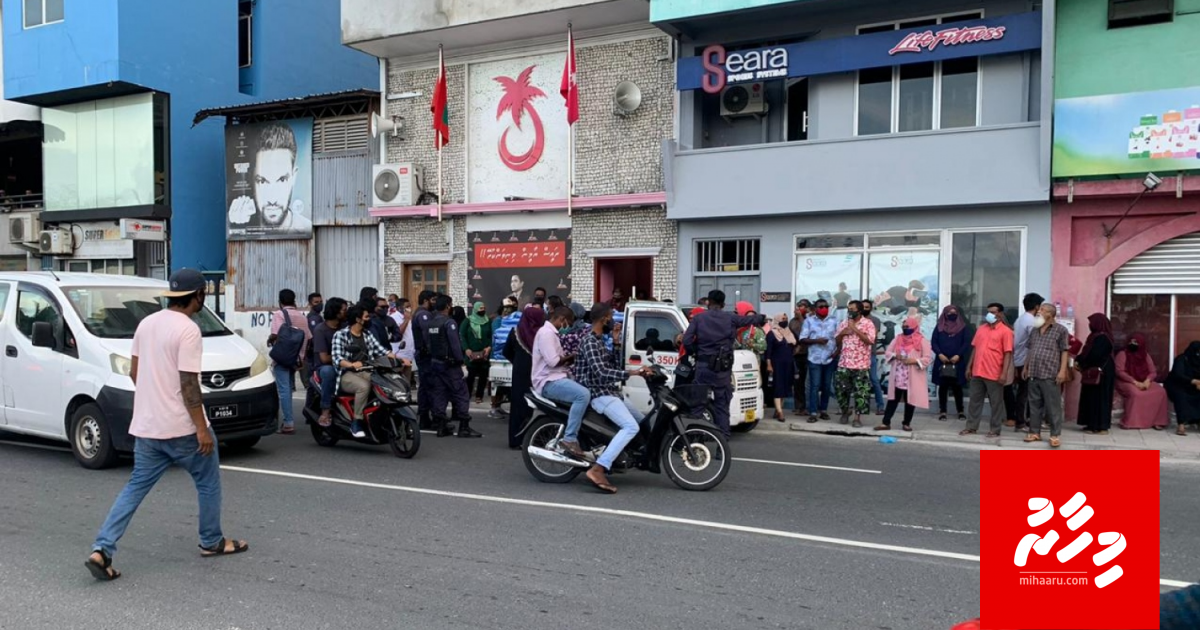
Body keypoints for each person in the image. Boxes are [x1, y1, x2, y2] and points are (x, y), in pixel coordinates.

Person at [85, 269, 248, 581]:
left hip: (147, 428)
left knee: (134, 488)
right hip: (182, 428)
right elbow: (189, 386)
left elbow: (135, 373)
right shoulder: (188, 330)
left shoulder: (146, 323)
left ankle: (102, 549)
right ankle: (211, 541)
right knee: (208, 481)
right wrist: (201, 429)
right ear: (198, 295)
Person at [575, 303, 650, 494]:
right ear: (604, 319)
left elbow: (612, 365)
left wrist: (616, 342)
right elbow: (601, 373)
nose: (613, 321)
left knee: (642, 421)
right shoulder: (590, 342)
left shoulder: (599, 340)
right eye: (611, 317)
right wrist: (632, 373)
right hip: (599, 394)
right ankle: (599, 468)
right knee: (631, 426)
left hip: (611, 392)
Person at [681, 291, 765, 436]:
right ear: (724, 304)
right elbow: (749, 320)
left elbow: (686, 341)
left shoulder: (699, 318)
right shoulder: (730, 318)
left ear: (708, 302)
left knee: (698, 406)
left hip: (703, 367)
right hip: (722, 370)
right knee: (722, 406)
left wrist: (696, 352)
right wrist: (762, 318)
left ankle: (694, 441)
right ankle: (723, 444)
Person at [227, 123, 312, 236]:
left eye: (282, 180)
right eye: (262, 181)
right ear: (252, 179)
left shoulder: (306, 228)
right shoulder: (238, 226)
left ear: (294, 177)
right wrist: (230, 223)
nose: (272, 200)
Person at [533, 307, 591, 457]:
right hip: (548, 381)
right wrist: (572, 356)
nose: (568, 327)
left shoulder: (552, 334)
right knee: (582, 395)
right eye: (568, 323)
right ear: (561, 319)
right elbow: (553, 362)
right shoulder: (546, 334)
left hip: (557, 376)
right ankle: (570, 438)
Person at [332, 305, 397, 438]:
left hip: (367, 370)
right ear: (358, 319)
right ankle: (357, 421)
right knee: (364, 387)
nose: (369, 319)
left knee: (386, 381)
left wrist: (396, 358)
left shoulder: (367, 334)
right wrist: (351, 364)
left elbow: (381, 351)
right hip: (347, 374)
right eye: (366, 317)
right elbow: (337, 358)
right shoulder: (341, 335)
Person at [424, 295, 482, 438]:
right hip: (450, 365)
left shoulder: (431, 323)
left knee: (440, 393)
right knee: (461, 394)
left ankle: (441, 425)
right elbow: (455, 345)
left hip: (435, 363)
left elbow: (428, 344)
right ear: (448, 306)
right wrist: (461, 362)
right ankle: (464, 426)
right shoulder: (449, 323)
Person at [960, 303, 1013, 438]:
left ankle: (995, 429)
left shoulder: (1006, 331)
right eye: (988, 311)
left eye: (993, 312)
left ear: (1000, 314)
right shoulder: (981, 329)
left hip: (994, 372)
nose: (989, 314)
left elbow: (1008, 353)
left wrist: (1004, 373)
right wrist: (969, 366)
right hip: (978, 370)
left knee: (996, 403)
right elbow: (975, 348)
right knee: (974, 401)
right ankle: (971, 427)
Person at [1022, 303, 1070, 448]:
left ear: (1050, 314)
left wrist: (1062, 371)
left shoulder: (1060, 330)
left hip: (1050, 373)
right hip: (1034, 372)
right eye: (1039, 309)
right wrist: (1025, 366)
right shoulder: (1035, 330)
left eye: (1042, 310)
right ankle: (1034, 432)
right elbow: (1031, 350)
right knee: (1034, 404)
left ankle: (1055, 435)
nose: (1039, 312)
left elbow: (1064, 351)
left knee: (1052, 406)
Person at [267, 289, 312, 435]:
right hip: (297, 359)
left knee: (284, 390)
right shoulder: (302, 316)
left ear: (280, 302)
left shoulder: (279, 314)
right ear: (294, 300)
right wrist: (303, 355)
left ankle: (288, 423)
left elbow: (276, 335)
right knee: (289, 388)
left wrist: (270, 340)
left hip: (283, 358)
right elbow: (308, 338)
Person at [875, 316, 931, 432]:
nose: (905, 328)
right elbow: (888, 352)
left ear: (914, 327)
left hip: (912, 375)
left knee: (910, 400)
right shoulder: (898, 338)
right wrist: (896, 355)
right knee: (892, 399)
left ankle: (906, 423)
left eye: (907, 326)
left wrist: (914, 361)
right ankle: (886, 422)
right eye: (903, 326)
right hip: (898, 374)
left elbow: (928, 358)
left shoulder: (922, 340)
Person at [833, 300, 876, 428]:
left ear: (860, 310)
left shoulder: (868, 324)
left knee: (861, 392)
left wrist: (855, 329)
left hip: (861, 364)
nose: (850, 311)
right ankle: (845, 411)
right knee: (841, 390)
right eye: (848, 309)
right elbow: (837, 341)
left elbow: (870, 341)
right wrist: (842, 333)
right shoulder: (843, 323)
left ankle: (857, 418)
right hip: (844, 362)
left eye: (852, 309)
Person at [1115, 332, 1170, 431]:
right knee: (1136, 394)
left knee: (1161, 391)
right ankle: (1131, 422)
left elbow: (1153, 372)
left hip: (1144, 380)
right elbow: (1120, 372)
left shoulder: (1145, 355)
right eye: (1131, 341)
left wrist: (1147, 381)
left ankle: (1158, 421)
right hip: (1126, 381)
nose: (1133, 344)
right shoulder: (1122, 354)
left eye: (1136, 342)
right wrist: (1134, 382)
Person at [504, 306, 540, 448]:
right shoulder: (541, 333)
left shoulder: (515, 331)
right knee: (535, 407)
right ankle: (533, 440)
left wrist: (517, 362)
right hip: (537, 375)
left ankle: (515, 440)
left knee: (518, 407)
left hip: (519, 374)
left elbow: (506, 351)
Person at [1076, 313, 1116, 435]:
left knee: (1099, 398)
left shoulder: (1102, 338)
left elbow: (1094, 355)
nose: (1089, 325)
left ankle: (1100, 426)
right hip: (1097, 370)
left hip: (1101, 372)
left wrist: (1081, 362)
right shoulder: (1097, 336)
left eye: (1091, 322)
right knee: (1092, 398)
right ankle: (1091, 424)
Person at [1009, 293, 1044, 431]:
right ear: (1036, 306)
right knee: (1025, 393)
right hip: (1025, 360)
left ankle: (1027, 420)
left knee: (1026, 392)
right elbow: (1036, 340)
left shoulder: (1021, 319)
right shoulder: (1031, 321)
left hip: (1019, 358)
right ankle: (1021, 422)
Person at [800, 298, 838, 423]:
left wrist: (837, 352)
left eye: (826, 306)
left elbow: (840, 338)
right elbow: (803, 339)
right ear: (815, 309)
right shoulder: (809, 321)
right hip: (814, 359)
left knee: (827, 386)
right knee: (814, 386)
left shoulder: (834, 321)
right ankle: (813, 412)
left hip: (829, 358)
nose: (824, 308)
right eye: (821, 306)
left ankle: (823, 410)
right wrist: (817, 341)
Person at [932, 305, 972, 421]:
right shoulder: (939, 326)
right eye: (950, 313)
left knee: (957, 387)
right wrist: (939, 354)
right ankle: (943, 411)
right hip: (942, 361)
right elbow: (934, 342)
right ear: (945, 314)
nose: (952, 315)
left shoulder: (963, 327)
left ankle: (960, 411)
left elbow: (966, 342)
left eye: (954, 312)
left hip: (957, 361)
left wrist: (958, 355)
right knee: (943, 387)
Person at [310, 298, 345, 427]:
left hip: (345, 364)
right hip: (325, 367)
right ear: (336, 312)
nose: (345, 312)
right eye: (343, 310)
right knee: (328, 372)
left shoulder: (345, 328)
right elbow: (324, 358)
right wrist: (342, 357)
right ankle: (325, 410)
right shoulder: (320, 330)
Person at [410, 290, 437, 429]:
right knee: (430, 387)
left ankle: (424, 416)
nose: (435, 303)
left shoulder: (419, 313)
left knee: (425, 387)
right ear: (426, 300)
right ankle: (429, 417)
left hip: (423, 355)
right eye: (433, 300)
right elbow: (428, 336)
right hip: (426, 356)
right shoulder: (423, 315)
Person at [461, 301, 493, 405]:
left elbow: (492, 336)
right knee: (470, 376)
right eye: (480, 308)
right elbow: (462, 335)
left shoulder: (487, 321)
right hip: (471, 353)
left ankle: (479, 396)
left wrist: (489, 347)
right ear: (475, 309)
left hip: (484, 353)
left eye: (483, 308)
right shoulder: (468, 320)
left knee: (483, 376)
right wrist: (466, 349)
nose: (482, 310)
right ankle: (468, 395)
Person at [765, 314, 796, 422]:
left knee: (785, 387)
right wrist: (769, 365)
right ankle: (780, 412)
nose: (785, 321)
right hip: (776, 364)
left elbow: (794, 345)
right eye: (783, 319)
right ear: (777, 320)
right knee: (778, 387)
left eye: (786, 319)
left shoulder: (788, 332)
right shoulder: (771, 334)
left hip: (788, 363)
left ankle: (778, 409)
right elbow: (768, 352)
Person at [1166, 341, 1200, 436]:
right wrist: (1193, 381)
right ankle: (1181, 424)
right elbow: (1178, 375)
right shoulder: (1182, 359)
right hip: (1177, 385)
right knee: (1181, 396)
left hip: (1194, 386)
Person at [861, 299, 886, 416]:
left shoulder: (875, 320)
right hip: (856, 355)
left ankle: (880, 406)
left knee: (874, 380)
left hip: (870, 354)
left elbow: (872, 337)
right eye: (863, 306)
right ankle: (861, 406)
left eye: (867, 307)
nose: (864, 308)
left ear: (870, 308)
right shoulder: (855, 320)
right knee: (859, 381)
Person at [789, 300, 811, 416]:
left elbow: (806, 333)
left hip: (807, 354)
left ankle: (809, 407)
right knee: (797, 382)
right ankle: (799, 406)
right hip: (796, 355)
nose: (798, 309)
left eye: (802, 307)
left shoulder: (809, 320)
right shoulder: (792, 321)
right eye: (798, 306)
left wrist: (801, 318)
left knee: (807, 382)